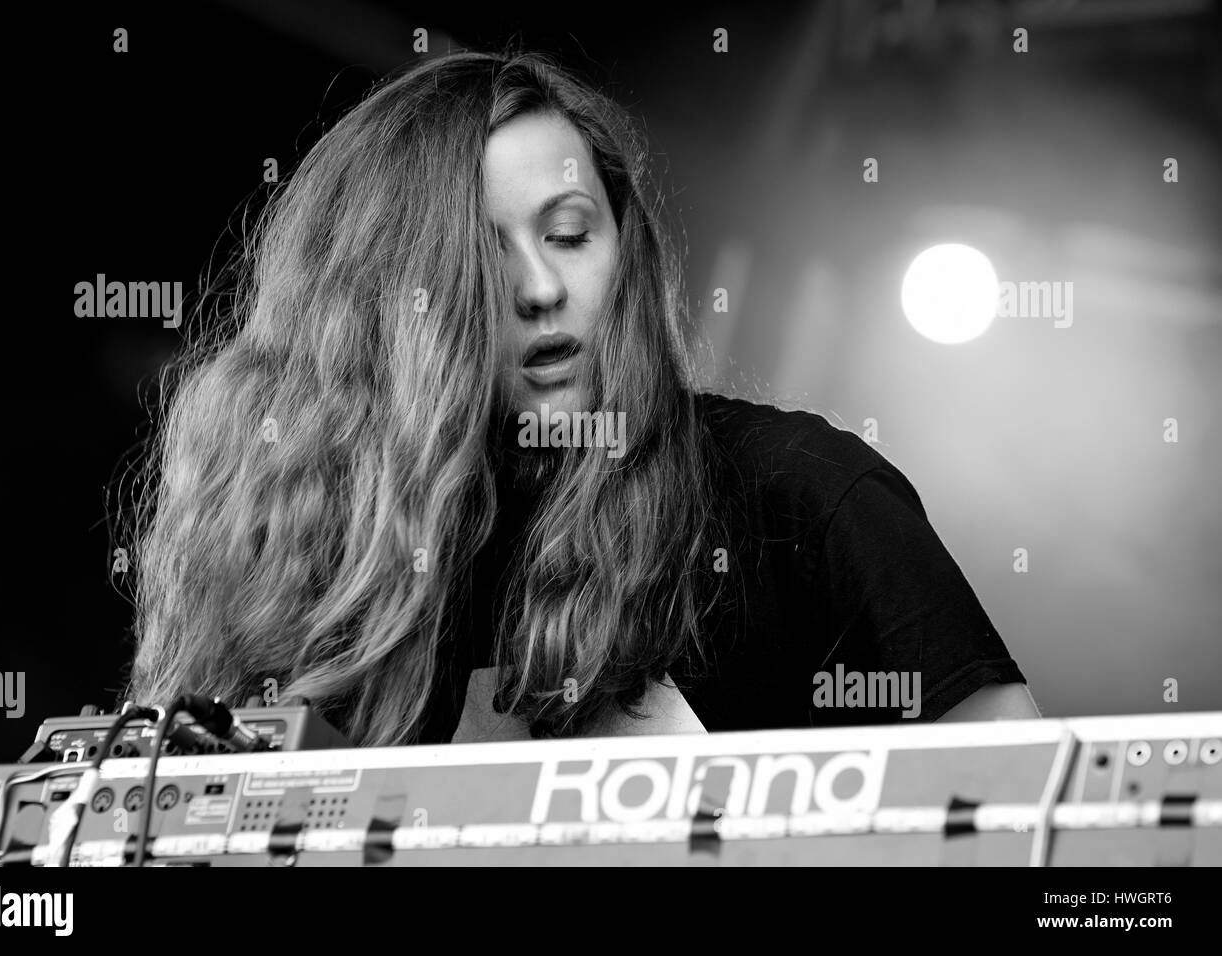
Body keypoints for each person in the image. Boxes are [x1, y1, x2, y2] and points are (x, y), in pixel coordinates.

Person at [120, 50, 1038, 747]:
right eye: (481, 255)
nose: (540, 287)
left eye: (568, 234)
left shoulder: (803, 494)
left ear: (623, 247)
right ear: (379, 303)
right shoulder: (309, 552)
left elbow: (1051, 837)